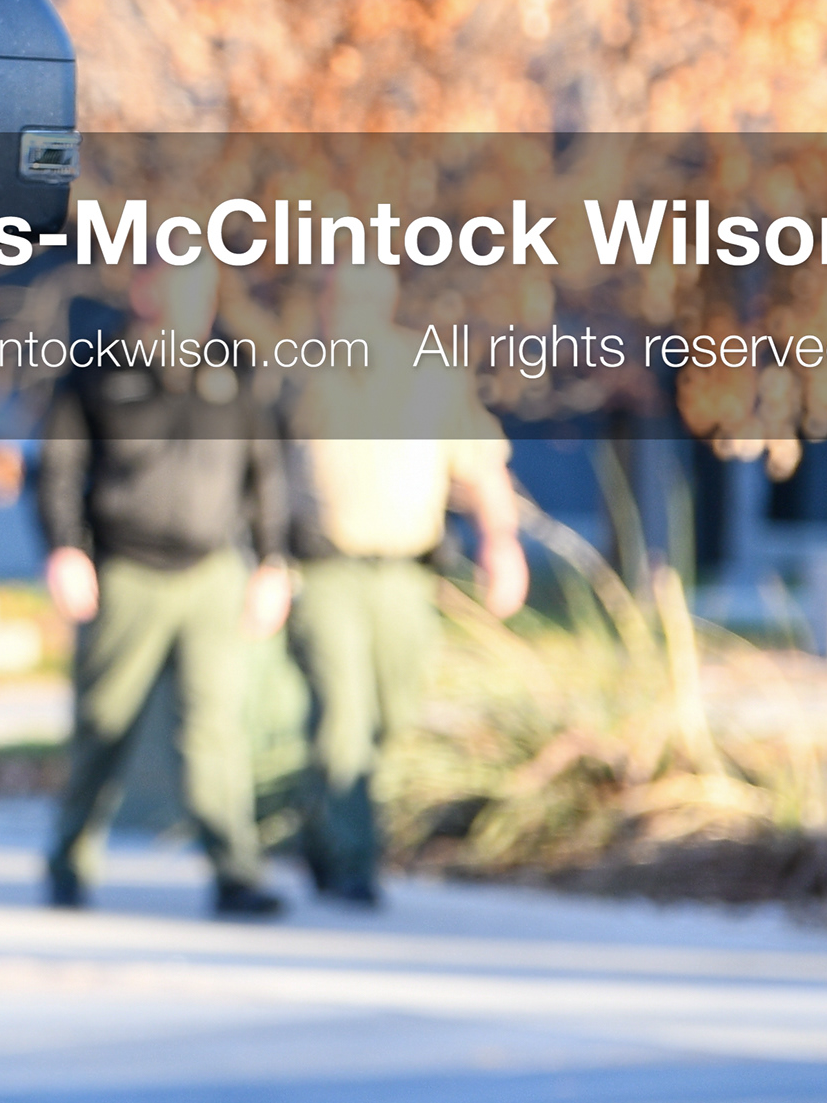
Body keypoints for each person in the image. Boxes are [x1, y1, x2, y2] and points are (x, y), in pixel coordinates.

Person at [37, 252, 295, 917]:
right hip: (126, 571)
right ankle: (69, 860)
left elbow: (265, 472)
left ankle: (235, 872)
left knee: (214, 729)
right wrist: (66, 551)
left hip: (211, 573)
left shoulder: (233, 370)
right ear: (145, 290)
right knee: (105, 722)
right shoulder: (96, 367)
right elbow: (61, 470)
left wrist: (273, 561)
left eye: (202, 290)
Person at [283, 265, 528, 908]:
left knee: (392, 716)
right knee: (341, 714)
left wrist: (500, 544)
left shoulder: (431, 374)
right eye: (339, 297)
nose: (350, 310)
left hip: (405, 577)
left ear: (387, 300)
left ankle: (321, 825)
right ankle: (351, 861)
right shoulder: (297, 374)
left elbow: (480, 465)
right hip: (325, 571)